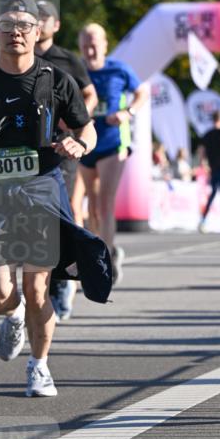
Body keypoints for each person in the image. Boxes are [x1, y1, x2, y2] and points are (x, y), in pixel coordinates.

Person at [0, 0, 104, 397]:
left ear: (38, 33)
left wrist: (79, 146)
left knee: (38, 289)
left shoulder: (56, 79)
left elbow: (87, 129)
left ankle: (40, 366)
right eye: (6, 25)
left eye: (23, 26)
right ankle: (13, 314)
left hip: (42, 188)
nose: (15, 32)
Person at [36, 0, 99, 321]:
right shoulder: (19, 57)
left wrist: (73, 120)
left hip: (63, 147)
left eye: (45, 17)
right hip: (30, 150)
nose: (39, 21)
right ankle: (40, 284)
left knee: (64, 212)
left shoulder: (66, 59)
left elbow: (90, 95)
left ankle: (64, 282)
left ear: (56, 25)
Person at [78, 22, 148, 284]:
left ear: (105, 45)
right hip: (85, 144)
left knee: (106, 203)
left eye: (94, 44)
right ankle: (107, 249)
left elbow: (142, 92)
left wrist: (127, 112)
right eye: (85, 45)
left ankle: (102, 261)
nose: (90, 50)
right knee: (93, 207)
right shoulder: (77, 71)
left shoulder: (118, 69)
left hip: (111, 144)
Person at [198, 110, 220, 233]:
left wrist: (203, 164)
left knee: (212, 195)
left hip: (213, 168)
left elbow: (201, 150)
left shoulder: (207, 134)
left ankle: (203, 220)